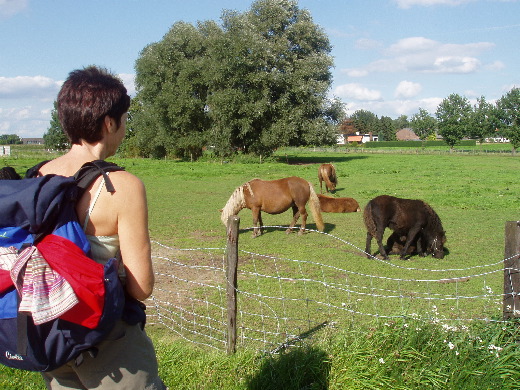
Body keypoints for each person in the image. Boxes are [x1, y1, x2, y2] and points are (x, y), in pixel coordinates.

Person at [36, 66, 166, 390]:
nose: (123, 130)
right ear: (110, 122)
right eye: (124, 120)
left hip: (50, 332)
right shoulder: (121, 186)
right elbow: (141, 287)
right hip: (107, 339)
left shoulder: (35, 176)